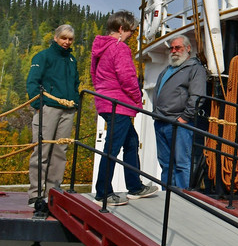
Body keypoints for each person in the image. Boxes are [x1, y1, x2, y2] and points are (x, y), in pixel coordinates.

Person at [91, 11, 160, 206]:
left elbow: (94, 74)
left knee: (131, 142)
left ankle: (135, 186)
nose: (131, 35)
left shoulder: (100, 48)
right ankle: (103, 193)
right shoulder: (120, 48)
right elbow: (127, 77)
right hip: (118, 105)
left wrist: (103, 93)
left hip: (106, 102)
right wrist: (138, 99)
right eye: (131, 30)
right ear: (121, 29)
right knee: (112, 148)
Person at [26, 23, 81, 205]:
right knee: (41, 150)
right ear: (56, 38)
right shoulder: (43, 57)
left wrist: (75, 102)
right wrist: (38, 105)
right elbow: (32, 82)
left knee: (60, 151)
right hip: (48, 108)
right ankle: (35, 194)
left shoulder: (71, 60)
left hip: (68, 109)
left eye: (70, 39)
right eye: (63, 38)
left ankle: (52, 192)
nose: (67, 42)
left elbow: (75, 83)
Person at [152, 35, 206, 189]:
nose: (174, 51)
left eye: (178, 48)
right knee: (165, 164)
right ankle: (166, 195)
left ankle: (182, 197)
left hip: (179, 123)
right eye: (172, 48)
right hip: (161, 122)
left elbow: (197, 96)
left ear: (188, 48)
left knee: (182, 163)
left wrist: (184, 117)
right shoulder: (167, 70)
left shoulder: (195, 68)